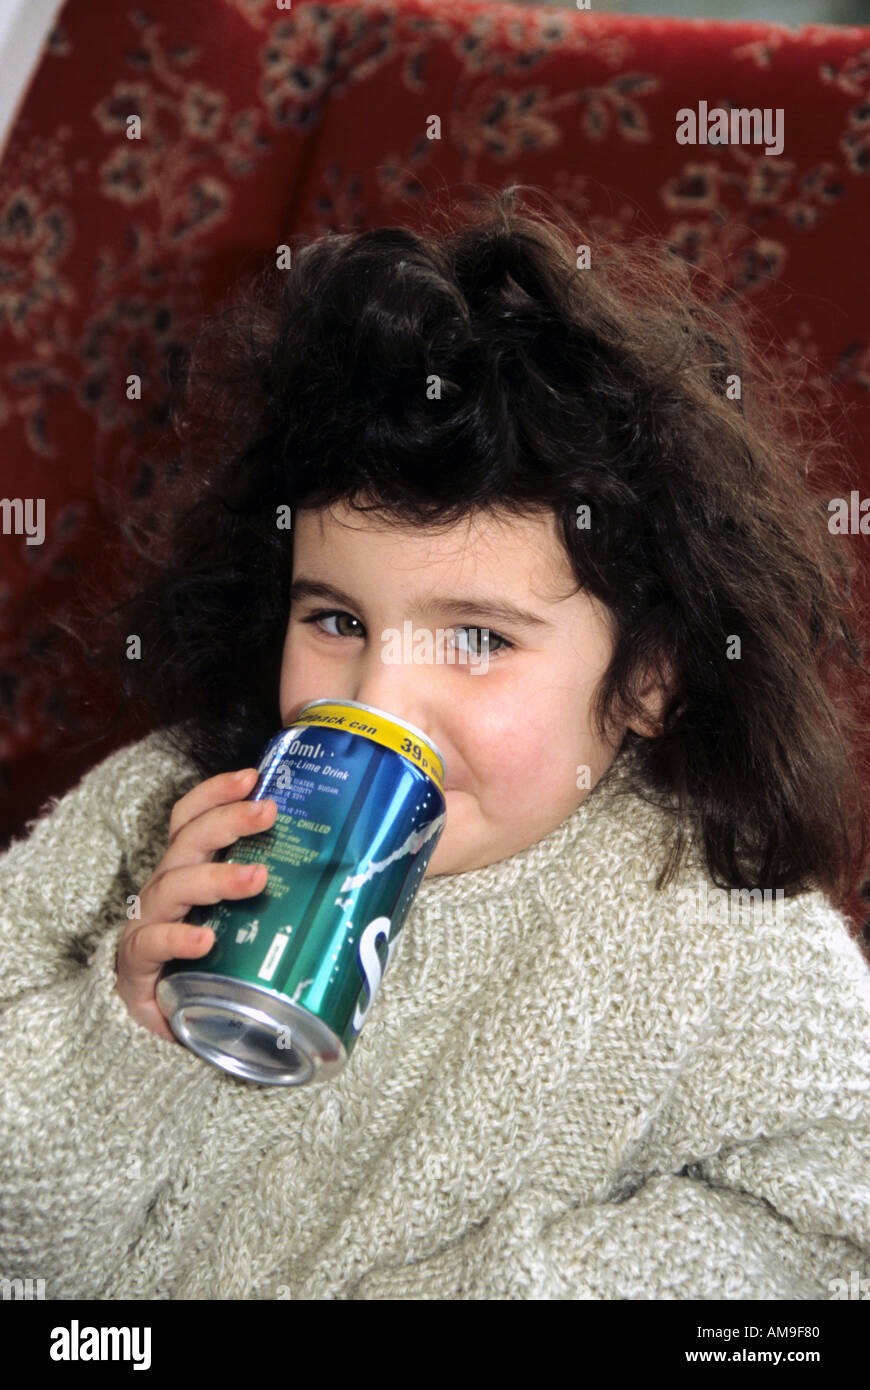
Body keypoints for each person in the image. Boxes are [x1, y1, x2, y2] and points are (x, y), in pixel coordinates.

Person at [2, 186, 869, 1301]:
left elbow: (840, 1223)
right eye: (336, 620)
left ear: (650, 676)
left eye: (476, 636)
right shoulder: (156, 811)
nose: (381, 696)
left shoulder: (721, 937)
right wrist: (118, 1032)